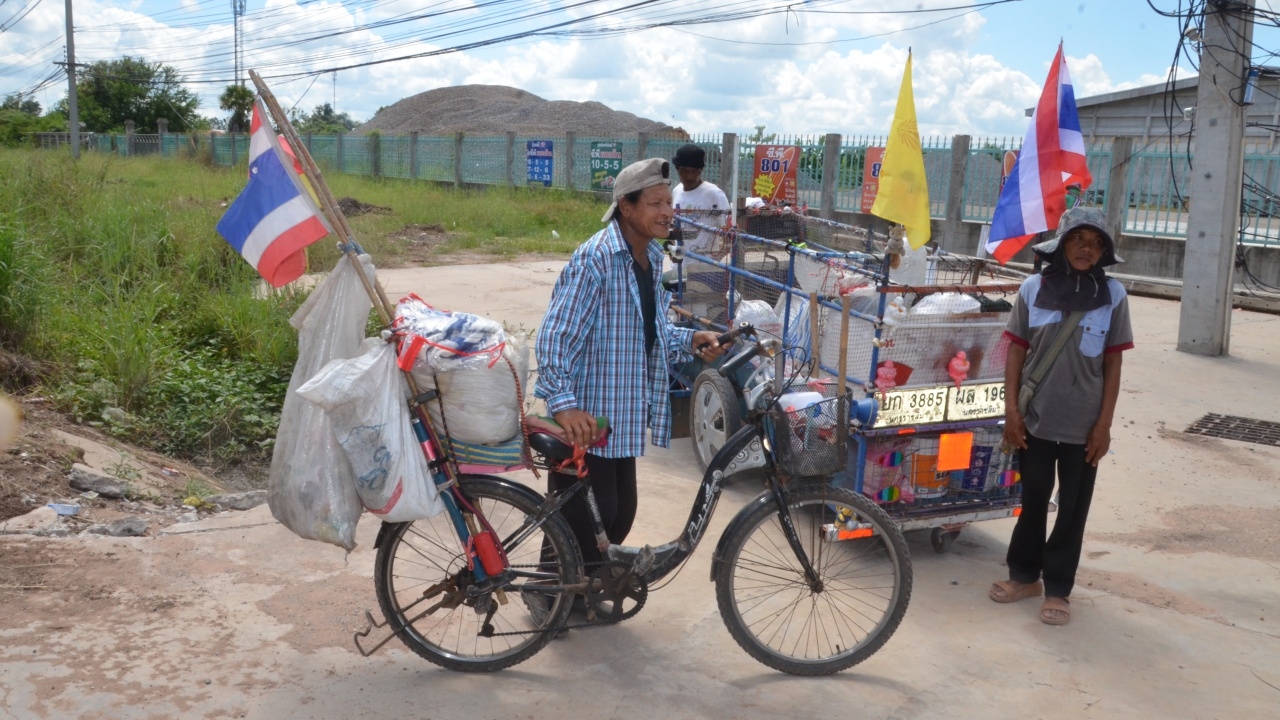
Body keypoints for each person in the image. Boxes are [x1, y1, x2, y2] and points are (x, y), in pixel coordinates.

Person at [535, 158, 728, 571]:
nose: (666, 212)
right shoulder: (597, 260)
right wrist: (565, 405)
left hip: (622, 413)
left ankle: (579, 592)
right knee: (584, 521)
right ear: (626, 207)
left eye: (668, 203)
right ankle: (548, 597)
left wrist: (690, 339)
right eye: (655, 203)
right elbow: (555, 337)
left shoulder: (650, 258)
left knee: (619, 515)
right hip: (588, 415)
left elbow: (651, 331)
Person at [988, 206, 1134, 626]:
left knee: (1072, 508)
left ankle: (1058, 589)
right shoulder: (1033, 289)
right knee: (1032, 500)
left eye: (1095, 243)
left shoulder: (1115, 296)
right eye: (1078, 240)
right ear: (1062, 245)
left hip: (1084, 426)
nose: (1086, 249)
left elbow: (1113, 364)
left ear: (1104, 252)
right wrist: (1011, 410)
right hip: (1034, 419)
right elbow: (1016, 350)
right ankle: (1023, 577)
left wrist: (1103, 424)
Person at [670, 144, 730, 257]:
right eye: (684, 171)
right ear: (677, 170)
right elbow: (674, 228)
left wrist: (713, 262)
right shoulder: (676, 191)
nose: (690, 177)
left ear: (701, 170)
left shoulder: (713, 194)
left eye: (695, 171)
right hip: (679, 265)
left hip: (704, 268)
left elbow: (729, 235)